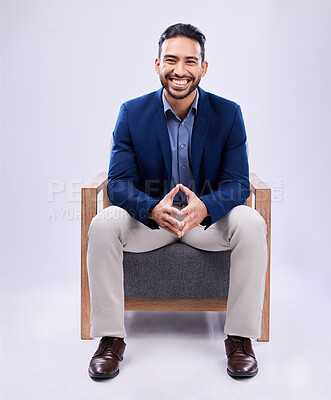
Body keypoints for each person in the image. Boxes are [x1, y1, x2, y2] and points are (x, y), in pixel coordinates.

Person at [87, 23, 268, 380]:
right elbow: (119, 184)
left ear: (203, 67)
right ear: (157, 65)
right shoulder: (131, 112)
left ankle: (240, 338)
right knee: (103, 224)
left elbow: (237, 183)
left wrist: (206, 207)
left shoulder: (228, 113)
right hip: (150, 222)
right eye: (171, 60)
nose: (179, 71)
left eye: (190, 61)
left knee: (252, 222)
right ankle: (110, 338)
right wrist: (153, 209)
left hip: (207, 223)